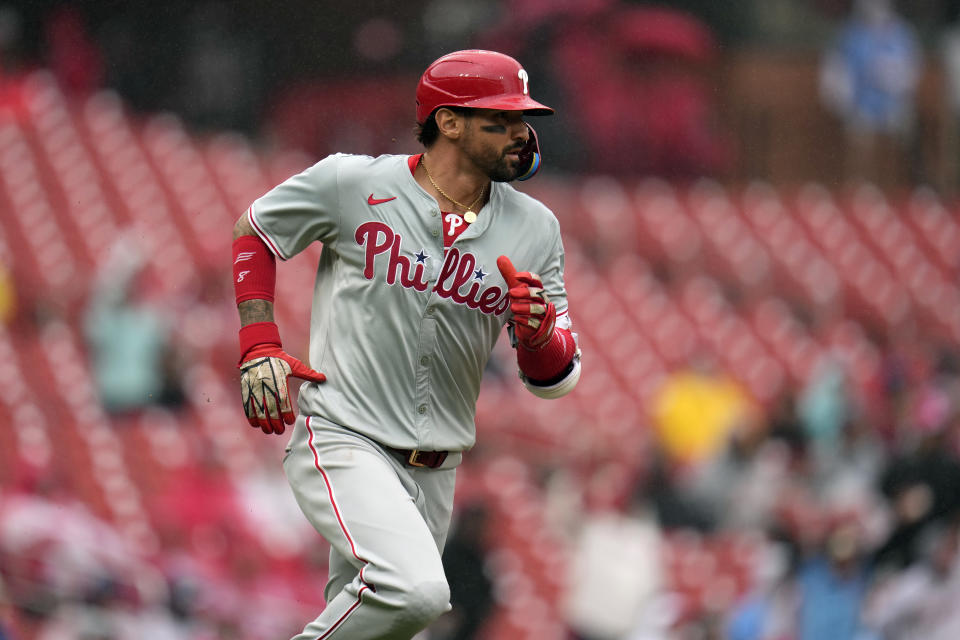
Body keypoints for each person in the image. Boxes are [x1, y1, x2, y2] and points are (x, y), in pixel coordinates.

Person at [230, 49, 581, 639]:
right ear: (448, 122)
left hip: (437, 471)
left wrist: (539, 334)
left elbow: (557, 379)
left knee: (379, 620)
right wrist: (259, 341)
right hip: (345, 436)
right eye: (501, 120)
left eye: (524, 120)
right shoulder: (353, 181)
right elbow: (256, 231)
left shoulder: (536, 228)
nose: (521, 134)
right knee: (415, 591)